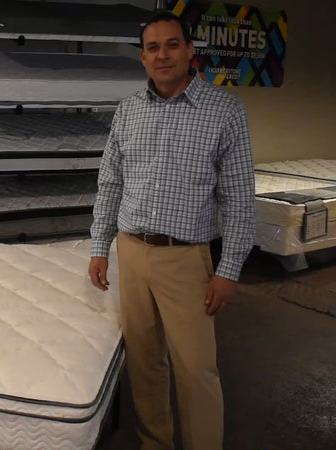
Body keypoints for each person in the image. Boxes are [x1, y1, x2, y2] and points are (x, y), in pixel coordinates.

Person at [87, 10, 256, 450]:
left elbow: (239, 198)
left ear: (189, 50)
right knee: (144, 364)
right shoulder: (128, 110)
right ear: (143, 57)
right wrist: (100, 245)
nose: (162, 55)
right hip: (131, 250)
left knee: (196, 369)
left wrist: (229, 270)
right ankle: (154, 443)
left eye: (171, 44)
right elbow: (111, 182)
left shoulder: (224, 111)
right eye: (152, 47)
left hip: (185, 258)